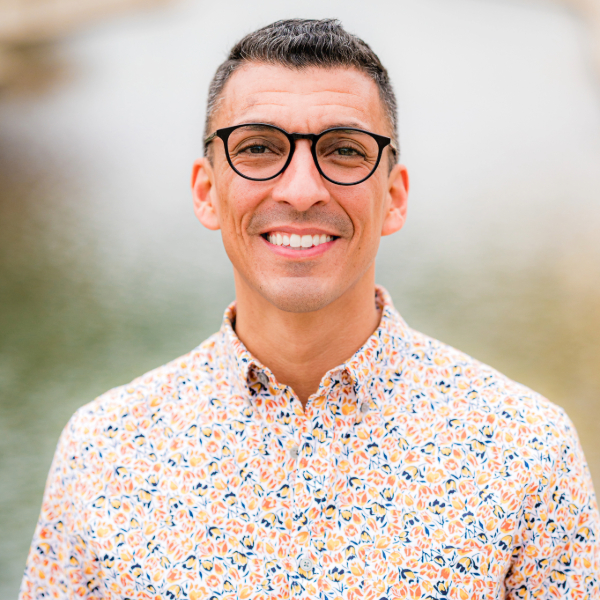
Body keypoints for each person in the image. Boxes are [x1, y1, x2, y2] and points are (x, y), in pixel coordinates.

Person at [20, 18, 599, 600]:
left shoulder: (524, 449)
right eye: (258, 148)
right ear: (206, 192)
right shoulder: (104, 450)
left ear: (394, 198)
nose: (300, 191)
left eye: (344, 151)